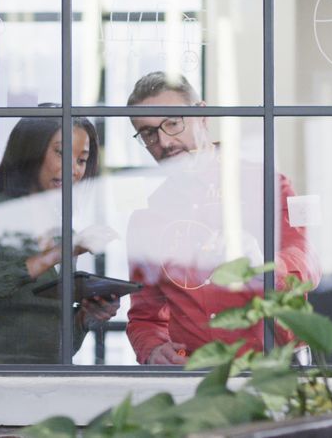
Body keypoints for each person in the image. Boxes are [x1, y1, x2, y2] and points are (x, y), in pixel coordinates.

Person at [125, 72, 320, 365]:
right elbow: (145, 317)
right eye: (149, 134)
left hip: (277, 374)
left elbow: (307, 266)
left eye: (173, 123)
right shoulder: (147, 219)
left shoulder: (268, 185)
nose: (164, 142)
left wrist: (263, 264)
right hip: (197, 384)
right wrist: (153, 348)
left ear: (202, 116)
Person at [0, 115, 119, 364]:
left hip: (45, 382)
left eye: (81, 160)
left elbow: (59, 345)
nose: (74, 169)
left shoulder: (64, 229)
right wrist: (55, 254)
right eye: (62, 153)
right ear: (30, 150)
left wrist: (85, 315)